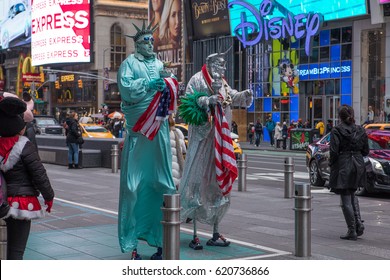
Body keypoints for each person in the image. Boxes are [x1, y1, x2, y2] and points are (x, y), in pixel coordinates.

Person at [178, 50, 253, 250]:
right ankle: (194, 234)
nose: (223, 68)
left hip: (219, 142)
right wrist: (206, 101)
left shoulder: (223, 82)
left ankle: (216, 231)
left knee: (218, 185)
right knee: (195, 182)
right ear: (210, 64)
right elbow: (188, 100)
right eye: (220, 64)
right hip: (202, 140)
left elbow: (231, 96)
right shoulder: (197, 79)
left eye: (224, 65)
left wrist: (244, 95)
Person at [117, 20, 178, 260]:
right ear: (136, 44)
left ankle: (161, 239)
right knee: (133, 186)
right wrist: (149, 84)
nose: (150, 44)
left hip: (159, 131)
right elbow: (126, 89)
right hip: (139, 132)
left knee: (163, 182)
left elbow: (172, 91)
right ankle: (132, 241)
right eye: (145, 41)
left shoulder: (160, 64)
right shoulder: (129, 64)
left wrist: (168, 84)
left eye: (152, 41)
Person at [0, 97, 54, 259]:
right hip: (21, 203)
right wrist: (48, 196)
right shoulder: (25, 145)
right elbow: (39, 173)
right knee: (16, 251)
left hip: (1, 201)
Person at [329, 105, 369, 241]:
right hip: (358, 164)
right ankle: (358, 224)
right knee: (352, 193)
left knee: (345, 197)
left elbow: (334, 151)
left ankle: (352, 229)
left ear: (339, 116)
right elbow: (366, 151)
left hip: (344, 163)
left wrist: (332, 164)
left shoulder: (336, 130)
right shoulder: (361, 130)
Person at [168, 115, 186, 190]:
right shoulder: (177, 132)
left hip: (167, 169)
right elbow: (184, 150)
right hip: (177, 168)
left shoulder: (161, 134)